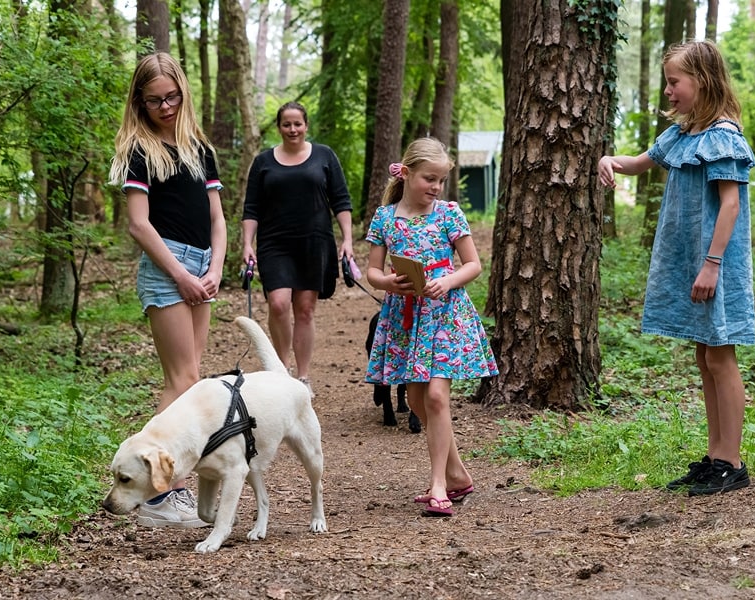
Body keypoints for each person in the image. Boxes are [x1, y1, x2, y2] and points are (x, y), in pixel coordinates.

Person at [598, 40, 755, 496]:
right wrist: (611, 160)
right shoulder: (685, 133)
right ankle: (714, 457)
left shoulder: (723, 135)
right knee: (704, 355)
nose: (668, 90)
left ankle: (732, 461)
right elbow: (641, 163)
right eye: (667, 81)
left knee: (721, 356)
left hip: (715, 263)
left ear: (702, 81)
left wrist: (710, 265)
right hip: (693, 262)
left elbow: (729, 206)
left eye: (674, 82)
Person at [109, 52, 226, 527]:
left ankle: (166, 487)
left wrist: (216, 265)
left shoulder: (200, 148)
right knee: (181, 381)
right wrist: (179, 273)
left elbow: (217, 217)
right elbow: (139, 225)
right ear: (140, 100)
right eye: (155, 99)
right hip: (167, 267)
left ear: (183, 91)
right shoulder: (138, 150)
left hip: (202, 264)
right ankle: (158, 496)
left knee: (193, 381)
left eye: (173, 96)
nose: (166, 106)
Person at [365, 137, 498, 517]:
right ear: (406, 174)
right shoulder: (385, 217)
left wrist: (450, 280)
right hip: (405, 316)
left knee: (437, 397)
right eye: (429, 179)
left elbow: (473, 264)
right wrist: (389, 282)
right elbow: (373, 271)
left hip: (443, 314)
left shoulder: (449, 214)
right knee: (416, 401)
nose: (436, 188)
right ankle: (457, 474)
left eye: (441, 180)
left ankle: (439, 484)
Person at [241, 101, 354, 397]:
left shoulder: (324, 156)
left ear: (306, 125)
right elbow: (251, 207)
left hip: (314, 241)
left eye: (298, 124)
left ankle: (302, 378)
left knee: (305, 310)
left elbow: (341, 200)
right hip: (274, 242)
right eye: (286, 124)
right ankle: (282, 371)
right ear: (279, 127)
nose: (293, 129)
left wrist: (348, 240)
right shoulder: (264, 161)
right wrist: (246, 244)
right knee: (278, 304)